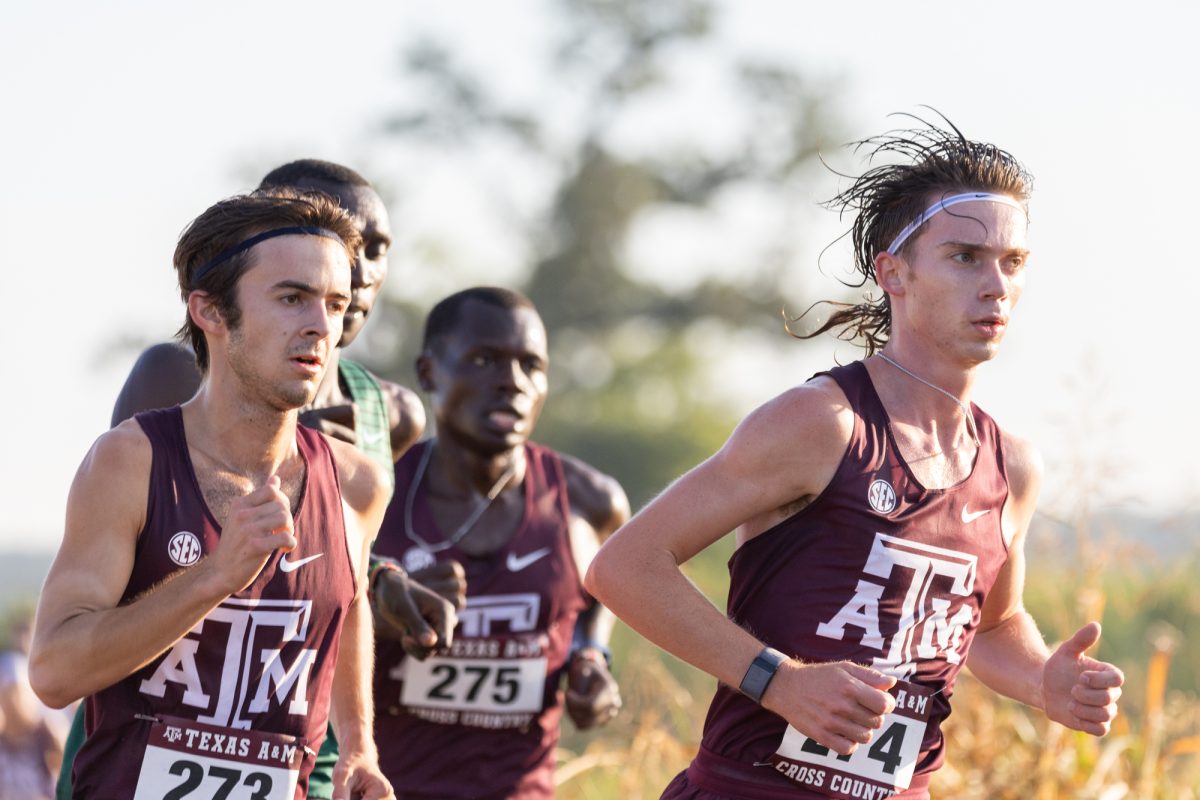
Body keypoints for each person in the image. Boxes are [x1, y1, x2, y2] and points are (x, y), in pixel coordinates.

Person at [585, 119, 1125, 799]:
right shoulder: (823, 424)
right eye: (964, 256)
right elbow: (623, 566)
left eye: (1012, 262)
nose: (995, 285)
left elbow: (994, 625)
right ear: (893, 272)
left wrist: (1043, 677)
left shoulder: (1011, 467)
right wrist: (777, 681)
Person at [56, 159, 454, 800]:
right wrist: (216, 574)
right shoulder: (129, 459)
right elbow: (53, 672)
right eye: (293, 298)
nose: (322, 326)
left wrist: (358, 747)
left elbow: (346, 608)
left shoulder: (359, 483)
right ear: (210, 310)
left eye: (335, 303)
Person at [370, 287, 629, 798]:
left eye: (531, 365)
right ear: (428, 373)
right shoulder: (372, 490)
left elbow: (601, 598)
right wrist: (380, 607)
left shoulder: (589, 503)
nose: (512, 382)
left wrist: (592, 658)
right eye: (484, 359)